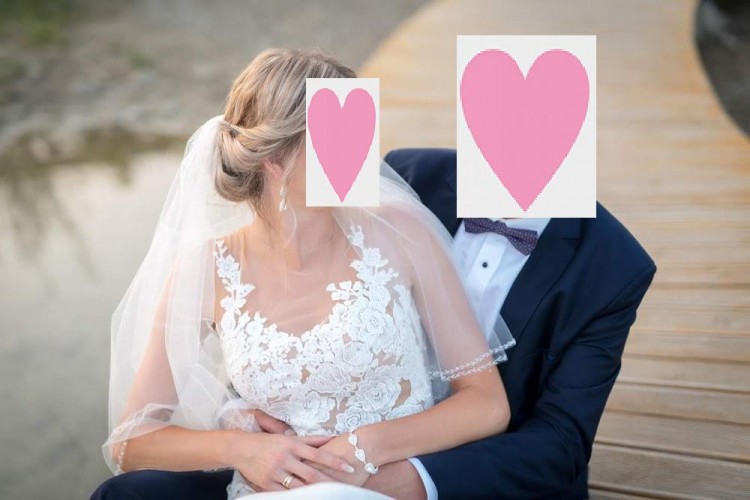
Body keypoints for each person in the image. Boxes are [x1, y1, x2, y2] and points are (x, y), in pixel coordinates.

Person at [90, 48, 516, 500]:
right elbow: (130, 441)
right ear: (274, 157)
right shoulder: (207, 268)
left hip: (388, 488)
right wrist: (241, 448)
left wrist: (365, 447)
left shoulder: (402, 232)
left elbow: (486, 403)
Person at [360, 147, 657, 498]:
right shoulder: (406, 177)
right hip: (348, 444)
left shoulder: (614, 264)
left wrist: (407, 482)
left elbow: (560, 443)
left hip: (480, 481)